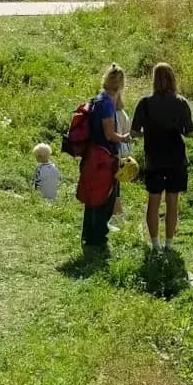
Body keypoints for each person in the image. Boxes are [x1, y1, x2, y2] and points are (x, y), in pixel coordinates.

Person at [130, 62, 193, 252]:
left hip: (154, 159)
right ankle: (169, 243)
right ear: (173, 79)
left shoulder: (145, 103)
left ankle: (155, 244)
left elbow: (134, 132)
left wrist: (147, 132)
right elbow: (191, 133)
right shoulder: (181, 102)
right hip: (176, 158)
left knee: (154, 200)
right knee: (172, 201)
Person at [80, 65, 124, 249]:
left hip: (92, 154)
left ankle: (88, 234)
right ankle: (99, 238)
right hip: (104, 156)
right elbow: (109, 134)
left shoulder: (99, 98)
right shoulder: (107, 104)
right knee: (104, 196)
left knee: (92, 195)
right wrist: (125, 138)